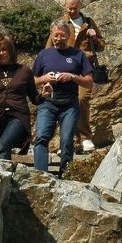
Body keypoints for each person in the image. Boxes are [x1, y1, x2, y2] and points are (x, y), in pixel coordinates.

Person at [31, 19, 93, 175]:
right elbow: (32, 81)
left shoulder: (78, 55)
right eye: (55, 36)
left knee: (66, 141)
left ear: (68, 35)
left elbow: (89, 82)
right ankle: (41, 174)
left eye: (61, 35)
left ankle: (66, 174)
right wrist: (45, 79)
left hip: (69, 104)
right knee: (41, 138)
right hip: (48, 101)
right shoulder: (44, 54)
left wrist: (72, 77)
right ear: (51, 35)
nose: (58, 39)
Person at [0, 34, 39, 161]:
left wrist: (44, 94)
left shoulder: (24, 70)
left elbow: (35, 99)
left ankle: (2, 179)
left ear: (10, 50)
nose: (1, 53)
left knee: (2, 146)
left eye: (4, 49)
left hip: (18, 117)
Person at [61, 0, 105, 153]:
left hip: (85, 68)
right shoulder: (61, 23)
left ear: (80, 6)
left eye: (74, 8)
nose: (71, 11)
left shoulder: (89, 22)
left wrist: (94, 38)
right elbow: (50, 46)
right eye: (68, 8)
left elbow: (101, 46)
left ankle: (85, 137)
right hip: (64, 66)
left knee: (81, 99)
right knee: (64, 101)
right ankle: (68, 140)